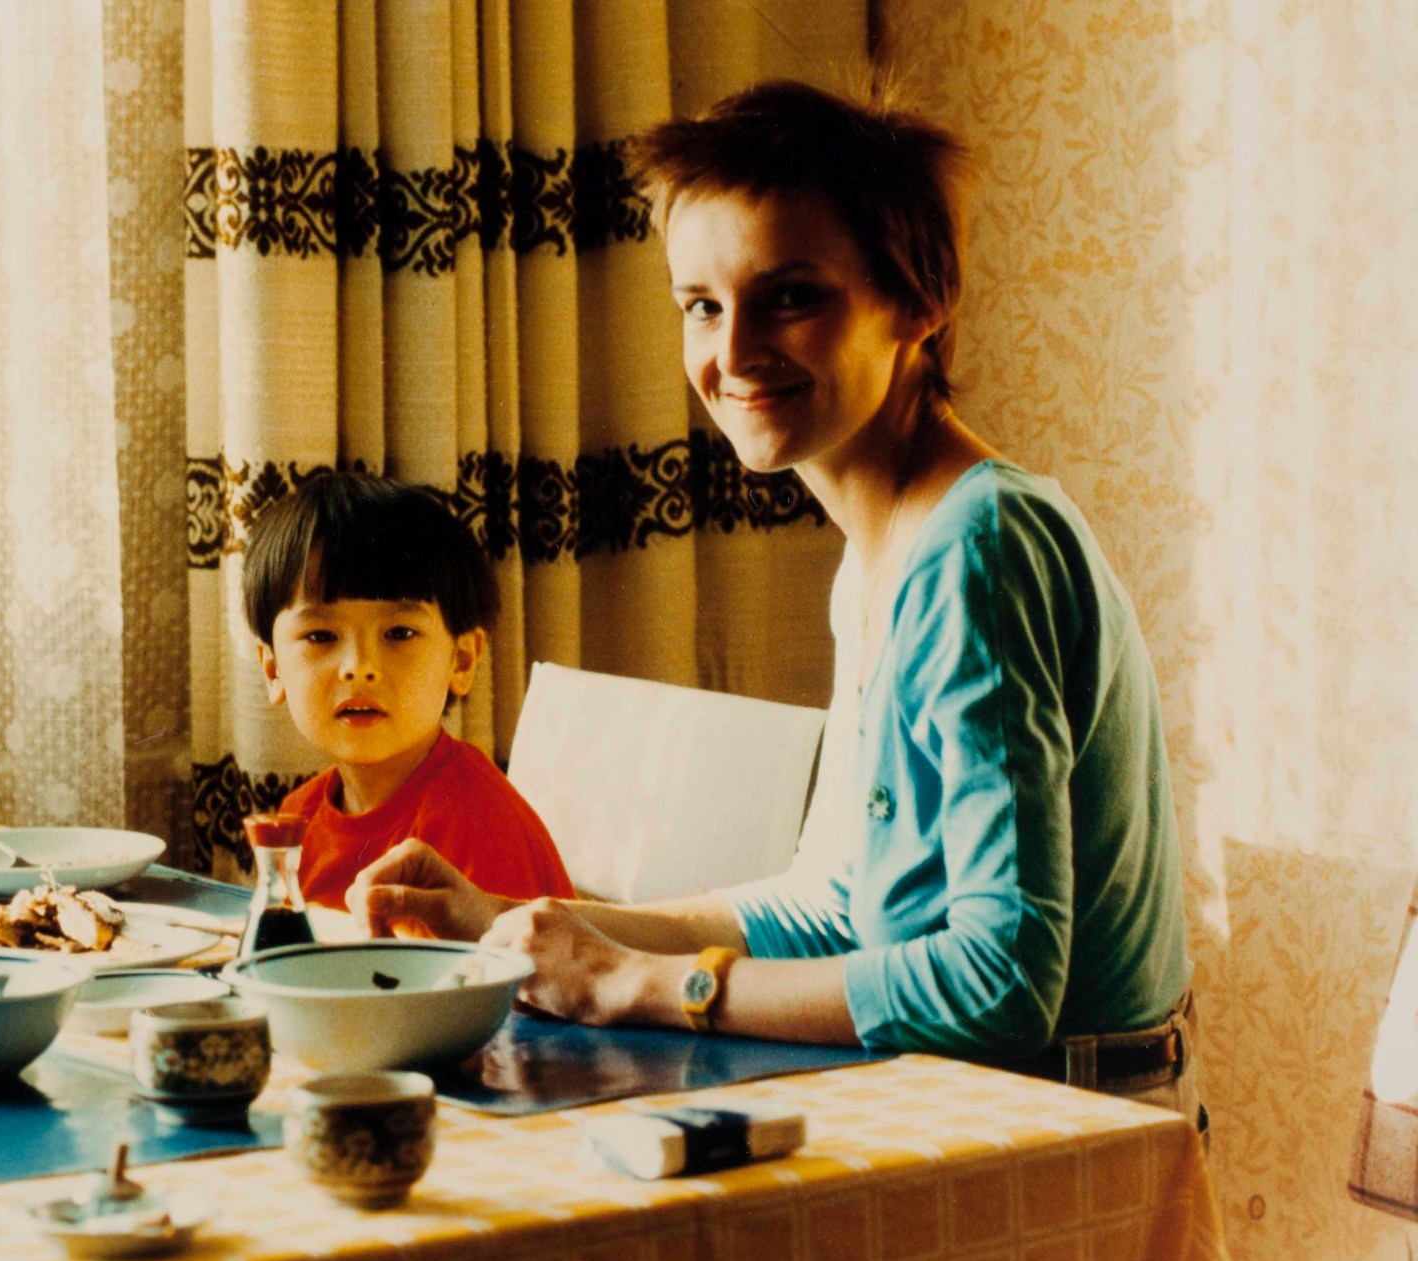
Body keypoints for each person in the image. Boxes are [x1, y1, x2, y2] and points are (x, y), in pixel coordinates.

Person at [345, 81, 1201, 1121]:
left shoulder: (975, 553)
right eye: (701, 305)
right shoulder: (882, 557)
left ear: (920, 304)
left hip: (1062, 1139)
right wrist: (532, 921)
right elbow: (833, 903)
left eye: (789, 296)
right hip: (971, 1110)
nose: (734, 352)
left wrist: (642, 984)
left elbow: (1000, 983)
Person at [242, 471, 575, 911]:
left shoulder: (480, 827)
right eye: (321, 636)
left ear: (462, 660)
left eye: (398, 632)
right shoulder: (299, 816)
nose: (358, 668)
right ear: (273, 669)